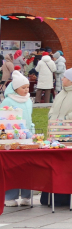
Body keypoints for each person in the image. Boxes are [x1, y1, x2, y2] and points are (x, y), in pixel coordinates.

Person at [3, 70, 33, 207]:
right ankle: (10, 196)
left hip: (27, 136)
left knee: (28, 166)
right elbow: (3, 119)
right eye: (23, 87)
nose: (26, 90)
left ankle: (27, 195)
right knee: (13, 167)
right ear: (15, 88)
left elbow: (30, 117)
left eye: (27, 87)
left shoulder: (28, 100)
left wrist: (31, 130)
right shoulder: (8, 101)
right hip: (12, 137)